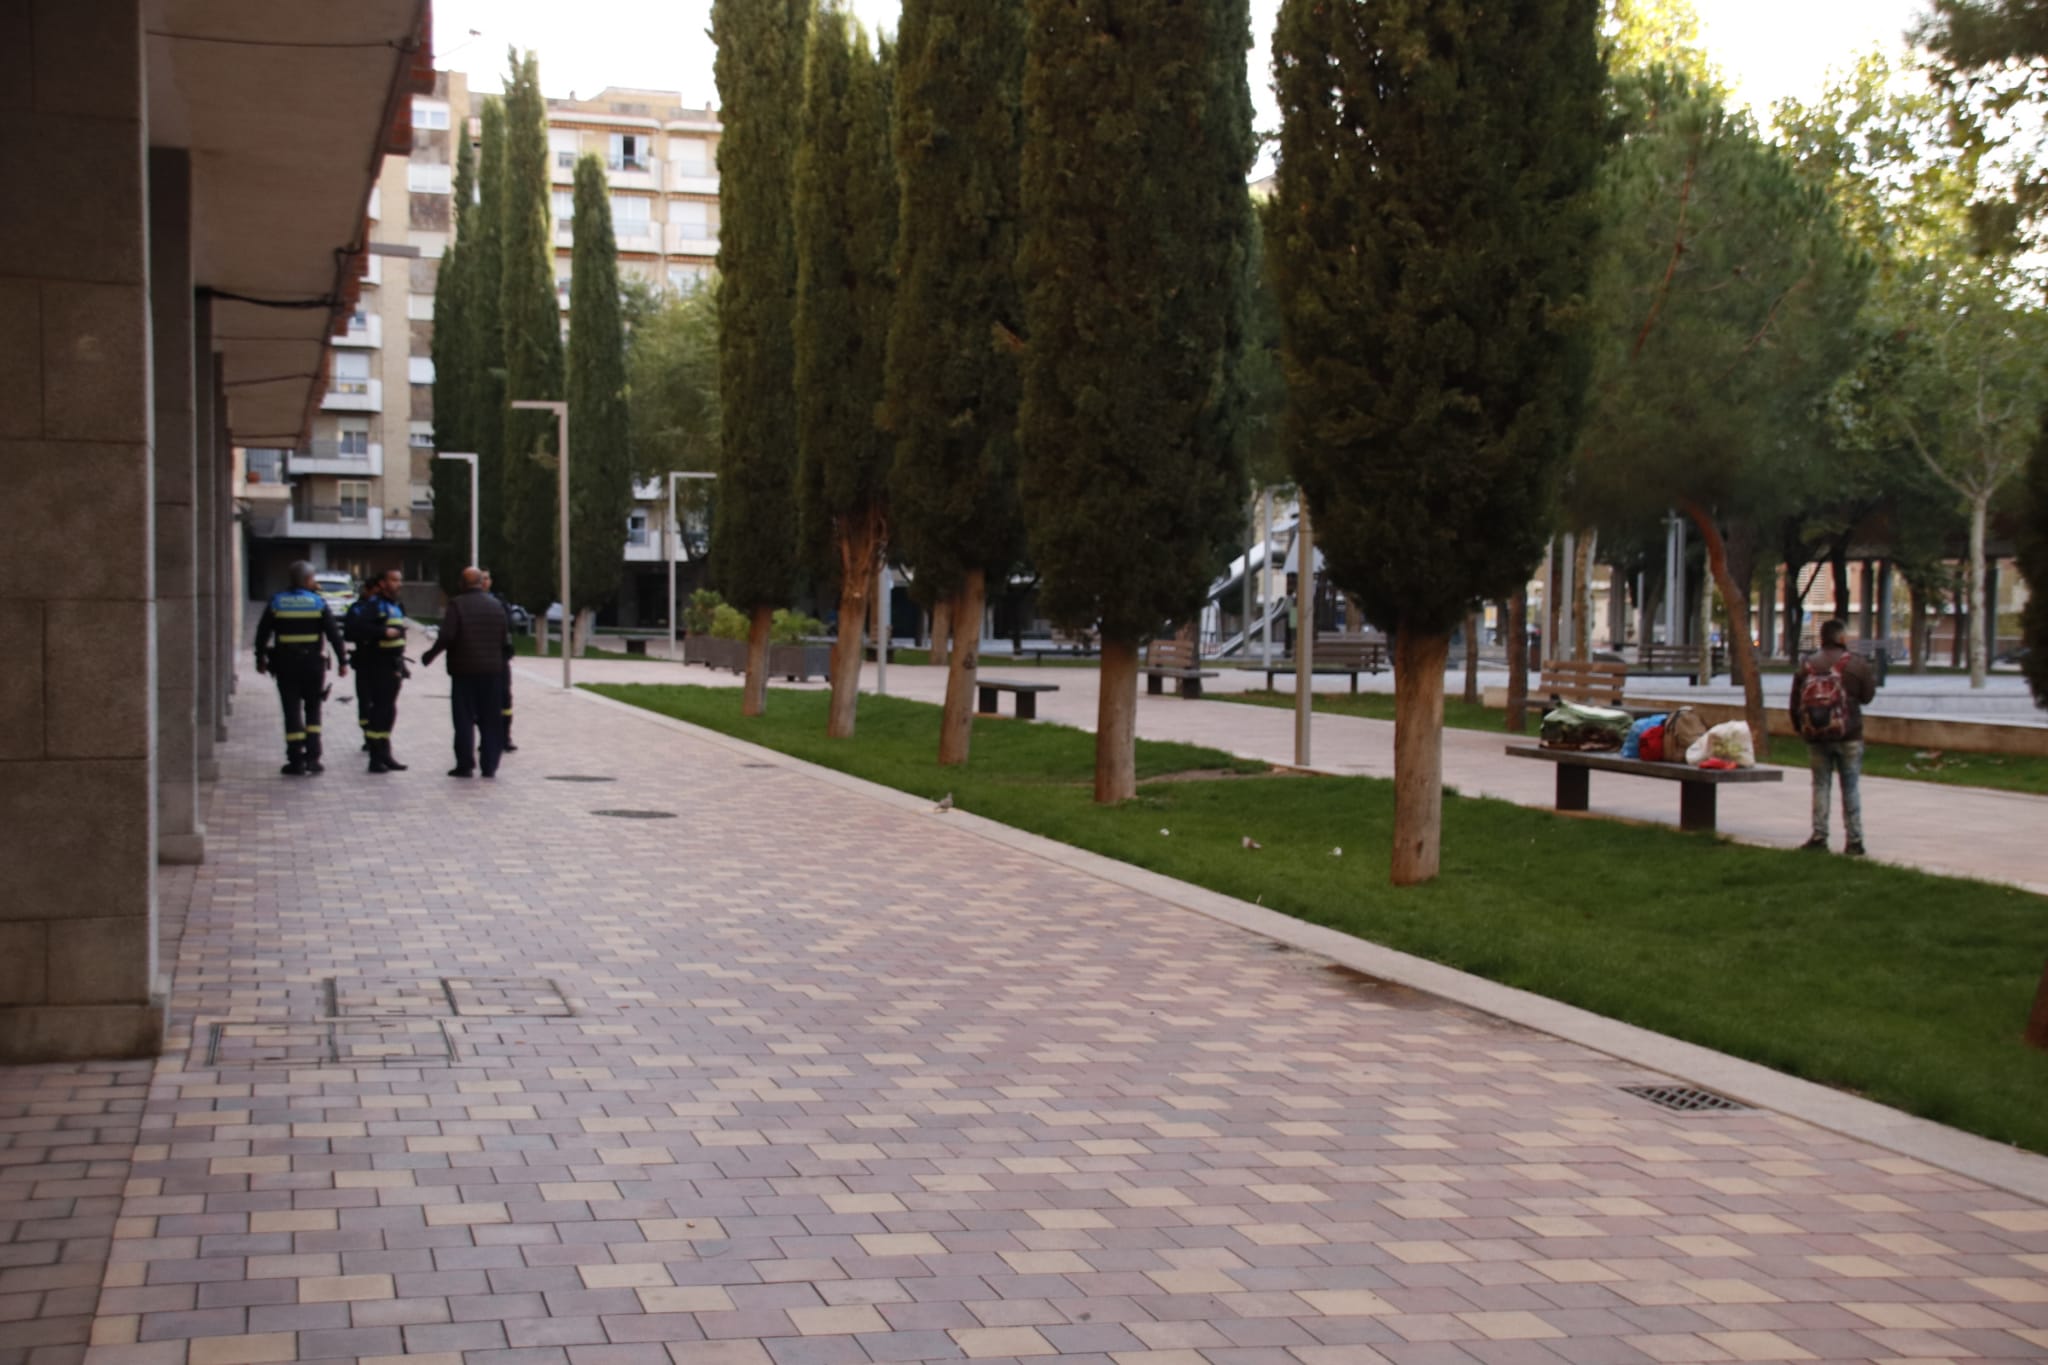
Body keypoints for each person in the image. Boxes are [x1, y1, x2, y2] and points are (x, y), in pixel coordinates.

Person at [1791, 618, 1877, 856]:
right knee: (1850, 787)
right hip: (1850, 735)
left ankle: (1819, 836)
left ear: (1822, 638)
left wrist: (1802, 729)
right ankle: (1854, 841)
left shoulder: (1807, 665)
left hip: (1817, 738)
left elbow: (1795, 703)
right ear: (1841, 638)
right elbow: (1868, 696)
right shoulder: (1856, 665)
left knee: (1820, 785)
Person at [253, 561, 348, 776]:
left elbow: (262, 633)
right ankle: (313, 758)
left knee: (291, 711)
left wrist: (260, 658)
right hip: (313, 665)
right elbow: (334, 634)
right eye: (313, 579)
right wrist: (343, 661)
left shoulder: (277, 602)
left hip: (286, 665)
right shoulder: (318, 603)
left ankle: (295, 760)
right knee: (313, 709)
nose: (315, 582)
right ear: (307, 580)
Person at [422, 566, 512, 778]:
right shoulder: (496, 606)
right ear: (482, 583)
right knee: (491, 719)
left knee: (463, 719)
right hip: (492, 672)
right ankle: (489, 765)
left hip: (464, 671)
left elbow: (447, 636)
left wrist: (430, 655)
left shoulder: (457, 605)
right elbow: (504, 640)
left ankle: (465, 764)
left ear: (462, 584)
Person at [346, 568, 414, 774]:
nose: (398, 584)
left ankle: (385, 753)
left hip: (394, 664)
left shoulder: (396, 606)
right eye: (394, 580)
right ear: (383, 583)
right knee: (379, 711)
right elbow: (354, 630)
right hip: (377, 664)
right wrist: (383, 632)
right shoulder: (373, 606)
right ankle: (376, 757)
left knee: (389, 710)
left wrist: (402, 664)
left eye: (399, 580)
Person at [481, 568, 518, 752]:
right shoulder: (470, 603)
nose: (484, 582)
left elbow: (509, 624)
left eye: (487, 578)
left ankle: (505, 737)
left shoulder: (500, 601)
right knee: (485, 700)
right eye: (481, 578)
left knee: (505, 698)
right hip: (481, 658)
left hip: (501, 657)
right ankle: (486, 738)